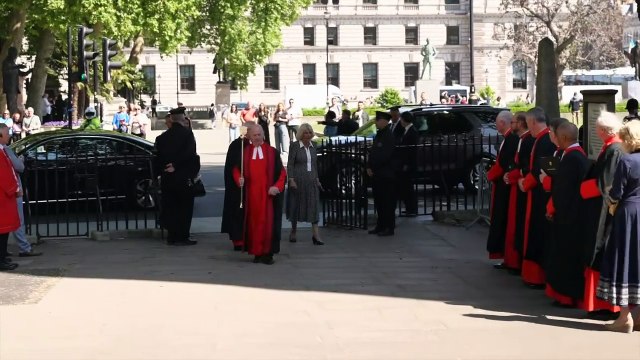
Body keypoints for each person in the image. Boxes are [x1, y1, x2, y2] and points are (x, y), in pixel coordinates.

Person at [597, 120, 640, 333]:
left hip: (628, 214)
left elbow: (616, 194)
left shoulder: (627, 161)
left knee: (624, 260)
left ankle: (625, 318)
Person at [579, 111, 624, 316]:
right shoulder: (611, 146)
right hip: (601, 207)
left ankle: (606, 305)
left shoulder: (614, 149)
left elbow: (605, 183)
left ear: (604, 130)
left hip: (606, 209)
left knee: (601, 252)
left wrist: (584, 189)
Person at [544, 122, 590, 307]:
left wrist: (552, 209)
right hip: (573, 213)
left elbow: (562, 190)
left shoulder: (571, 158)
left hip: (568, 216)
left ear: (563, 138)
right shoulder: (576, 155)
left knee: (567, 257)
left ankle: (567, 296)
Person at [233, 125, 286, 264]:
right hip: (251, 197)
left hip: (268, 197)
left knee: (267, 225)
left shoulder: (272, 152)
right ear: (249, 137)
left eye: (259, 135)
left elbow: (282, 173)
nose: (256, 137)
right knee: (253, 225)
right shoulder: (245, 152)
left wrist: (277, 187)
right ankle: (257, 252)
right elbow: (236, 170)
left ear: (263, 135)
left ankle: (267, 253)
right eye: (254, 135)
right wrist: (239, 179)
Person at [518, 107, 557, 288]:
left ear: (533, 122)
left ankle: (537, 277)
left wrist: (526, 183)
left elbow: (542, 169)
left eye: (528, 123)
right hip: (538, 191)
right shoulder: (541, 138)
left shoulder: (544, 140)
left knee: (538, 233)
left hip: (542, 194)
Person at [154, 107, 199, 246]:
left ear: (171, 120)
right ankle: (183, 236)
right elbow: (190, 154)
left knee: (170, 207)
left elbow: (157, 157)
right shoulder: (187, 135)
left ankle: (172, 236)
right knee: (184, 208)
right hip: (183, 176)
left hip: (168, 177)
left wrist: (166, 167)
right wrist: (177, 166)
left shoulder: (162, 137)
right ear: (183, 118)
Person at [0, 124, 41, 258]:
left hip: (7, 191)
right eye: (7, 133)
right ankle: (24, 248)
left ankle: (4, 251)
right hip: (10, 192)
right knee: (16, 220)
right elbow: (18, 167)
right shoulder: (4, 150)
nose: (9, 135)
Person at [486, 111, 520, 266]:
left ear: (502, 122)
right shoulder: (509, 138)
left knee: (504, 218)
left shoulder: (511, 139)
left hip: (505, 186)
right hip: (503, 183)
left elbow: (503, 163)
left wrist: (490, 175)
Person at [503, 112, 534, 272]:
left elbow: (527, 166)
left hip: (523, 185)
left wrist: (515, 175)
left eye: (514, 122)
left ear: (521, 123)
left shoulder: (527, 140)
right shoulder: (523, 139)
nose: (511, 124)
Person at [286, 123, 324, 245]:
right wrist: (291, 179)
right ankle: (293, 231)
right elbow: (290, 164)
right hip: (298, 179)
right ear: (301, 134)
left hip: (311, 179)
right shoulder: (295, 146)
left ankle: (316, 234)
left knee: (313, 205)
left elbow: (314, 164)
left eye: (309, 133)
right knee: (296, 205)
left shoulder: (314, 146)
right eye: (305, 133)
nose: (307, 135)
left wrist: (317, 178)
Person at [367, 111, 396, 236]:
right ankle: (380, 225)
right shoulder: (380, 134)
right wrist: (369, 166)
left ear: (384, 121)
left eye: (377, 120)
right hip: (377, 174)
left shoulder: (388, 136)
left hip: (385, 174)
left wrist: (374, 166)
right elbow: (373, 152)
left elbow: (385, 156)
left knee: (387, 202)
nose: (375, 122)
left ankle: (389, 227)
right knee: (379, 201)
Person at [222, 131, 250, 251]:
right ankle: (238, 240)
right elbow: (233, 166)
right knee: (237, 213)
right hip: (237, 188)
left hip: (251, 186)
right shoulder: (237, 145)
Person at [0, 124, 21, 271]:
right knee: (2, 230)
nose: (9, 135)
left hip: (5, 196)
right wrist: (15, 189)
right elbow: (3, 175)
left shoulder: (3, 151)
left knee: (4, 230)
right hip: (3, 197)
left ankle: (2, 256)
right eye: (7, 133)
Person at [395, 111, 418, 216]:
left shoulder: (412, 131)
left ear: (404, 120)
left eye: (401, 119)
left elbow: (411, 151)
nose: (400, 121)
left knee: (408, 188)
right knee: (405, 187)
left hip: (408, 164)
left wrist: (406, 164)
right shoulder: (407, 130)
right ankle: (409, 208)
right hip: (404, 163)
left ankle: (412, 209)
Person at [2, 46, 31, 115]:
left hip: (14, 87)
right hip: (10, 87)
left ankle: (14, 117)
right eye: (14, 54)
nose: (15, 56)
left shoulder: (13, 64)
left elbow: (21, 73)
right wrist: (18, 66)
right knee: (11, 104)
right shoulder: (6, 62)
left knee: (14, 104)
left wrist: (29, 71)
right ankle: (12, 117)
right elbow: (6, 70)